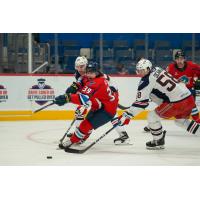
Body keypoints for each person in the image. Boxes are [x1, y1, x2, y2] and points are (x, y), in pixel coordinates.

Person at [118, 58, 200, 149]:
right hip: (188, 97)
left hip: (177, 102)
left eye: (143, 70)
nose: (141, 73)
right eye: (139, 71)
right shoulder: (157, 69)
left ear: (148, 69)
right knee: (181, 121)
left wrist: (128, 114)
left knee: (152, 116)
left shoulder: (146, 82)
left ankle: (158, 141)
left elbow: (141, 103)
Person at [64, 56, 130, 145]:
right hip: (95, 95)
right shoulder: (79, 75)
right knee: (80, 112)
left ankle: (123, 135)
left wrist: (110, 96)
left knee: (111, 113)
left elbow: (110, 86)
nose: (79, 69)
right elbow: (84, 89)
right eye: (77, 66)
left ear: (87, 66)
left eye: (82, 66)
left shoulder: (98, 74)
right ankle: (79, 133)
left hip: (107, 95)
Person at [54, 62, 119, 148]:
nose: (89, 74)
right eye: (88, 72)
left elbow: (83, 98)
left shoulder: (95, 82)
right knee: (86, 124)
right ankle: (81, 138)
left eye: (91, 72)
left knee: (85, 124)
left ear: (97, 72)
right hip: (100, 104)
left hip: (107, 110)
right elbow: (82, 85)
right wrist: (74, 88)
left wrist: (68, 98)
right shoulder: (100, 78)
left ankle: (72, 141)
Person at [144, 50, 200, 132]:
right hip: (175, 93)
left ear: (184, 59)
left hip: (188, 91)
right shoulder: (170, 68)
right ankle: (152, 124)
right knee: (166, 108)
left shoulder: (192, 66)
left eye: (181, 59)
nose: (179, 61)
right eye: (177, 59)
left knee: (191, 108)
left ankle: (198, 122)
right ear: (175, 60)